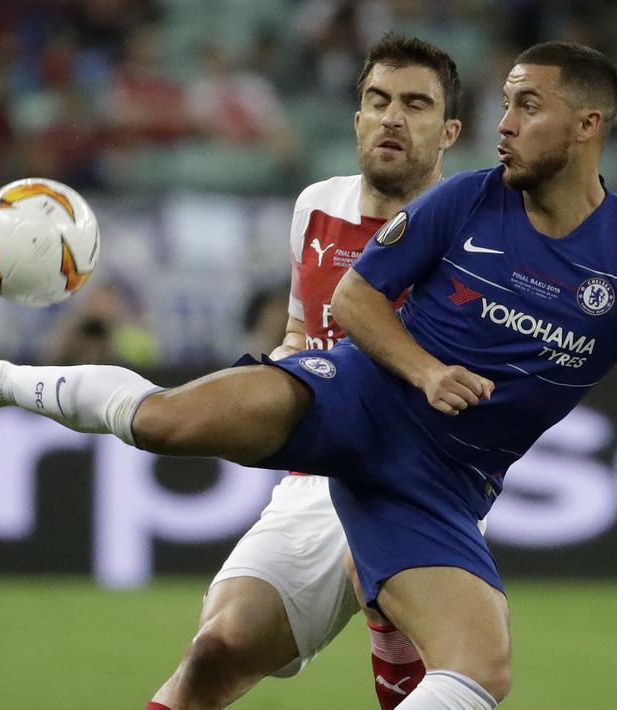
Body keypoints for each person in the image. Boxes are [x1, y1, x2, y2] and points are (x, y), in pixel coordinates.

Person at [0, 42, 617, 709]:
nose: (508, 124)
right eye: (373, 100)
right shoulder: (443, 202)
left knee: (481, 669)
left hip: (439, 477)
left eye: (526, 107)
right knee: (178, 469)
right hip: (351, 401)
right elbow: (352, 304)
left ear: (587, 125)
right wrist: (420, 371)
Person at [148, 34, 467, 710]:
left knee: (387, 596)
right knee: (213, 650)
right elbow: (302, 332)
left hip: (420, 479)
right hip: (315, 477)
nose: (391, 117)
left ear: (448, 132)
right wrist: (283, 372)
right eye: (377, 101)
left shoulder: (472, 237)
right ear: (356, 121)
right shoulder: (316, 206)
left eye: (414, 105)